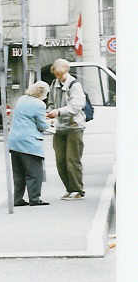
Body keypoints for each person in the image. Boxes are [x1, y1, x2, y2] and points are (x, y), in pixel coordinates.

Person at [46, 58, 87, 200]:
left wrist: (58, 112)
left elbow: (76, 106)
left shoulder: (75, 84)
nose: (58, 77)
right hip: (59, 127)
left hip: (74, 126)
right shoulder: (53, 84)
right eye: (56, 74)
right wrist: (49, 112)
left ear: (66, 71)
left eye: (60, 74)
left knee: (72, 160)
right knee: (60, 160)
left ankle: (77, 190)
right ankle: (69, 188)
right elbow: (51, 102)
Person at [7, 81, 52, 206]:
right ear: (42, 92)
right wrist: (50, 123)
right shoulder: (39, 104)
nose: (47, 96)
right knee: (35, 172)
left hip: (14, 141)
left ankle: (17, 199)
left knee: (18, 173)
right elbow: (42, 125)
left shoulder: (21, 99)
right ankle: (35, 199)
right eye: (46, 93)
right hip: (29, 142)